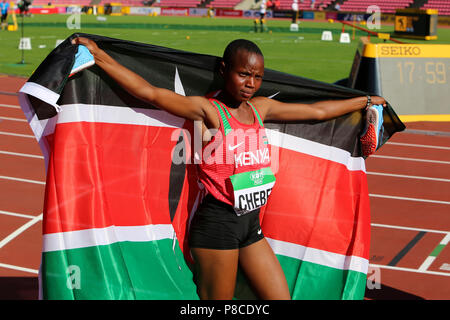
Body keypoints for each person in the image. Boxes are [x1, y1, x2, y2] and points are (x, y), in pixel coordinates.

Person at [71, 36, 386, 300]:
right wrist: (99, 57)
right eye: (243, 74)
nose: (250, 84)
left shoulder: (261, 108)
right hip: (217, 226)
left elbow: (316, 111)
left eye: (257, 77)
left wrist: (364, 101)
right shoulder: (210, 111)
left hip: (251, 226)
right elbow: (150, 93)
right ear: (225, 70)